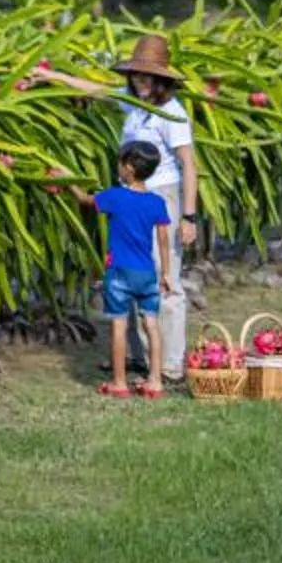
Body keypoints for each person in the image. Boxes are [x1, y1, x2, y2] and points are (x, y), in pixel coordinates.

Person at [31, 33, 200, 380]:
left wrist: (188, 216)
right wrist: (53, 78)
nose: (140, 81)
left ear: (162, 79)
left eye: (148, 76)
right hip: (130, 201)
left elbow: (190, 165)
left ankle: (170, 362)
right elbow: (95, 89)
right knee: (132, 272)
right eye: (137, 75)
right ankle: (139, 357)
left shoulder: (172, 113)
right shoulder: (133, 102)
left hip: (161, 197)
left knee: (164, 279)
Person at [56, 141, 173, 398]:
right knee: (152, 325)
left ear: (129, 168)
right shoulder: (157, 202)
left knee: (119, 326)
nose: (118, 167)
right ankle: (155, 382)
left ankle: (119, 383)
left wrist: (67, 180)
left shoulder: (114, 196)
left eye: (120, 163)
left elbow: (84, 200)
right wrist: (166, 273)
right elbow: (163, 240)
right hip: (146, 272)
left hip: (119, 271)